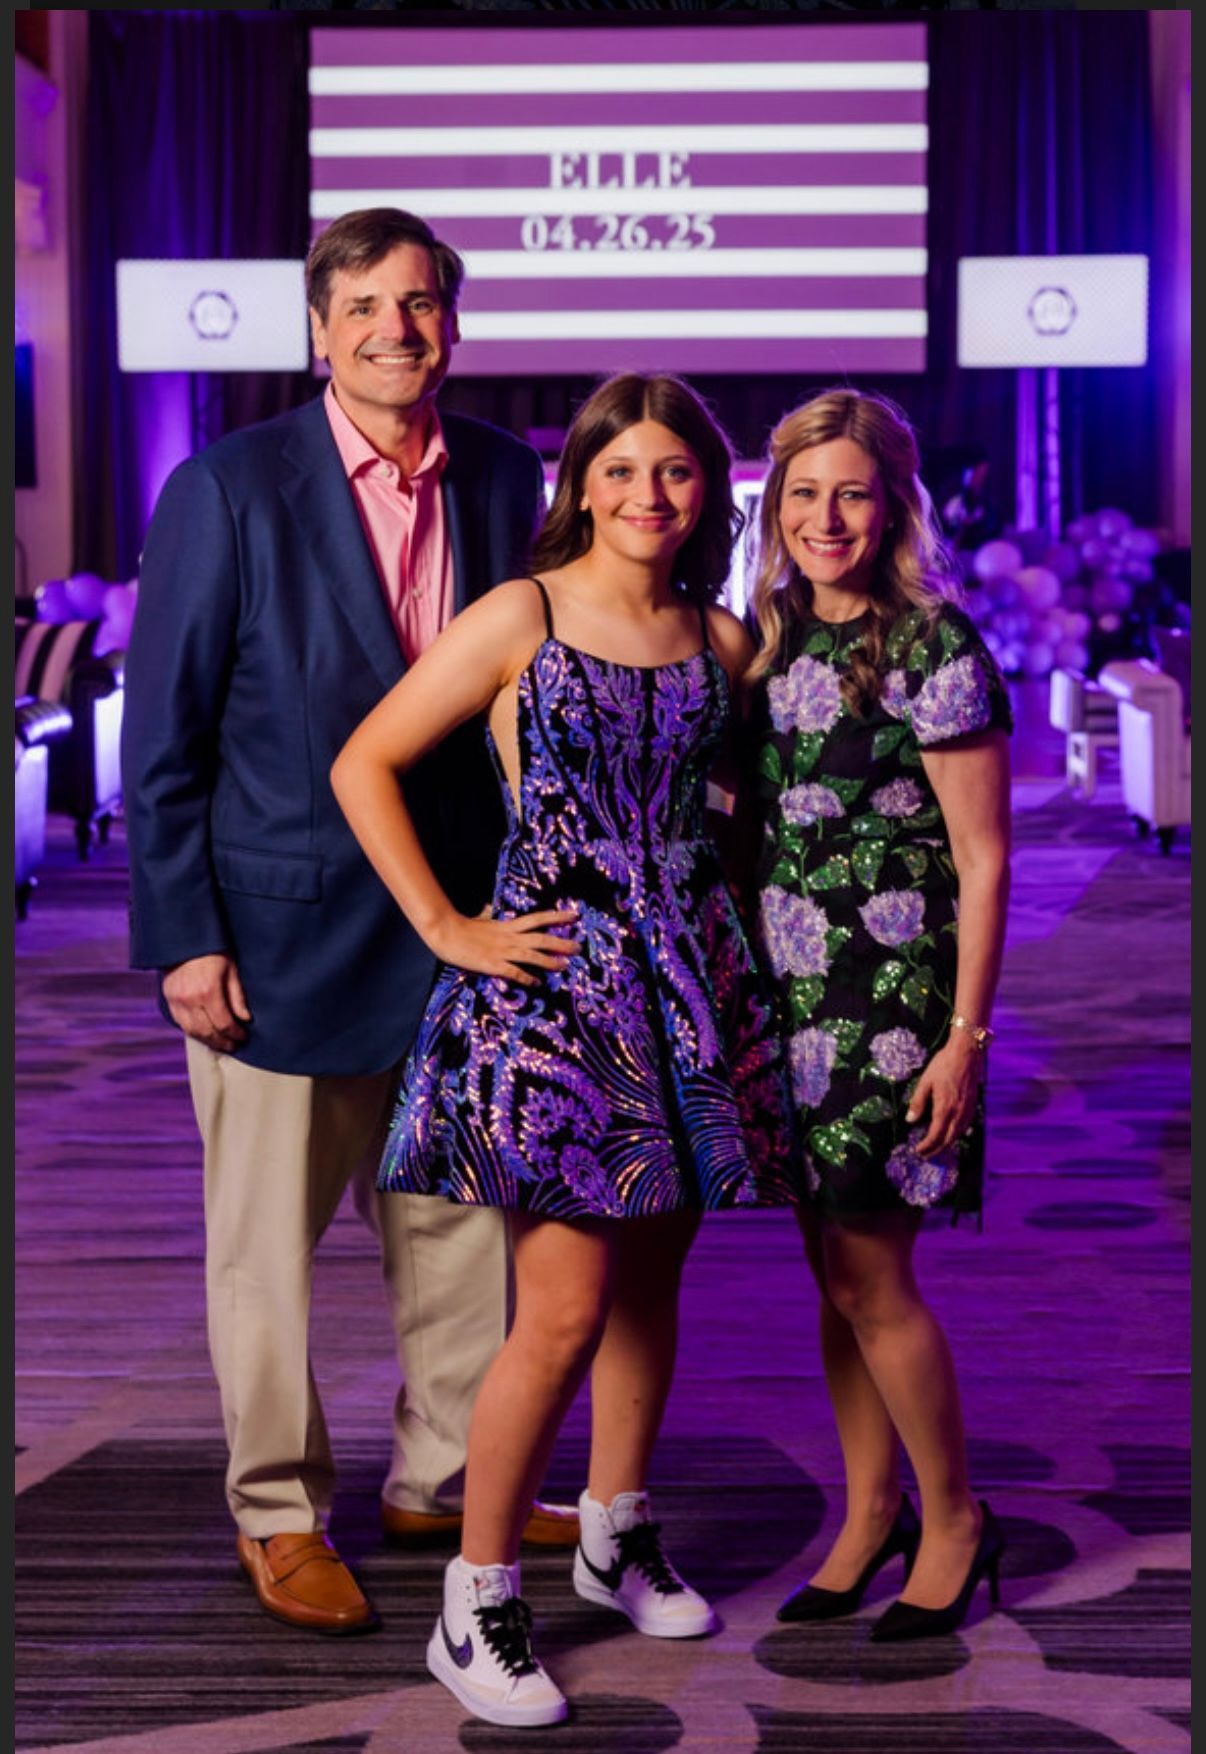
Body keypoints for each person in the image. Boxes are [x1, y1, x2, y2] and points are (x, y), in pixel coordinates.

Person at [121, 207, 577, 1638]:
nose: (399, 326)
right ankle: (276, 1508)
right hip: (275, 941)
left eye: (424, 301)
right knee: (265, 1252)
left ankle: (442, 1475)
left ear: (456, 322)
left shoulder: (512, 480)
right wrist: (183, 934)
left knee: (456, 1234)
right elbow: (166, 740)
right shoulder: (228, 487)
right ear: (320, 327)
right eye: (368, 303)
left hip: (461, 934)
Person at [331, 372, 797, 1725]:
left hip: (686, 993)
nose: (649, 495)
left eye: (676, 473)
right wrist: (446, 924)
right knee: (563, 1310)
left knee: (652, 1292)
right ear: (580, 481)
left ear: (706, 491)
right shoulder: (518, 615)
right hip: (555, 1006)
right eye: (624, 469)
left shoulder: (717, 639)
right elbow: (366, 761)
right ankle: (475, 1601)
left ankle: (612, 1528)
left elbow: (741, 819)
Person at [744, 388, 1012, 1642]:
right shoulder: (775, 635)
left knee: (874, 1271)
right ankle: (869, 1511)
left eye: (850, 491)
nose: (824, 516)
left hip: (898, 1004)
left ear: (893, 501)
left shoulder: (935, 644)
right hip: (793, 997)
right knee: (835, 1272)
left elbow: (987, 856)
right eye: (802, 493)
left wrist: (967, 1039)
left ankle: (953, 1518)